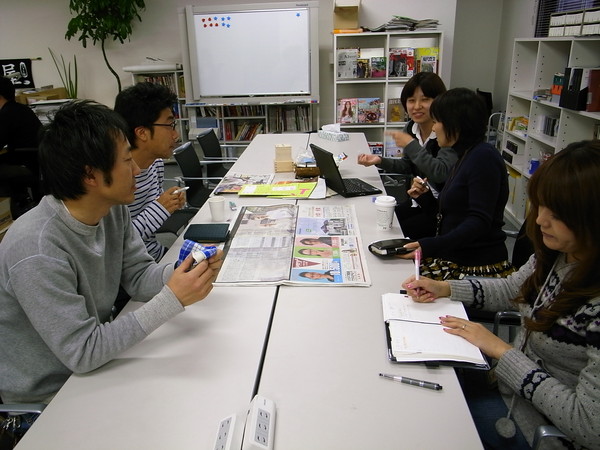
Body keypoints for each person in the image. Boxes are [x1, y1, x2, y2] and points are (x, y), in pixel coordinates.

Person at [0, 100, 222, 406]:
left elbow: (140, 277)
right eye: (127, 160)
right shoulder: (37, 249)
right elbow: (83, 351)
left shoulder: (111, 211)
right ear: (90, 175)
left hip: (95, 370)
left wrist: (188, 270)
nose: (136, 169)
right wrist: (173, 298)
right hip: (49, 398)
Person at [401, 140, 600, 450]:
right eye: (540, 205)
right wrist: (446, 287)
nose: (539, 220)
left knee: (421, 424)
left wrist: (501, 351)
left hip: (535, 427)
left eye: (558, 213)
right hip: (508, 389)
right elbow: (512, 289)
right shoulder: (560, 255)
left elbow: (590, 426)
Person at [398, 87, 512, 280]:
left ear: (455, 124)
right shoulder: (464, 156)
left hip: (475, 266)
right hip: (453, 256)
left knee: (401, 281)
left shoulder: (483, 158)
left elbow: (479, 222)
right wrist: (425, 197)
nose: (433, 128)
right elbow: (449, 216)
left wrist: (430, 246)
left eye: (437, 122)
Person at [356, 72, 456, 239]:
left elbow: (440, 173)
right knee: (377, 221)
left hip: (440, 211)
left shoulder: (446, 133)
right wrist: (379, 161)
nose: (416, 106)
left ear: (439, 101)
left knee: (392, 233)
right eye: (411, 100)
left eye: (425, 100)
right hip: (419, 199)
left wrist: (411, 144)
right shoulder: (411, 128)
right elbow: (408, 165)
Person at [114, 82, 187, 262]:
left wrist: (171, 204)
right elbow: (117, 245)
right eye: (169, 125)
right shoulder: (114, 179)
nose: (176, 135)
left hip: (155, 256)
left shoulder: (156, 164)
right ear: (142, 133)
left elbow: (151, 223)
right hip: (133, 269)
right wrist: (160, 208)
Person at [0, 76, 44, 213]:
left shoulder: (6, 114)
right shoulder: (22, 109)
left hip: (26, 165)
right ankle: (20, 202)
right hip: (36, 163)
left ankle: (10, 210)